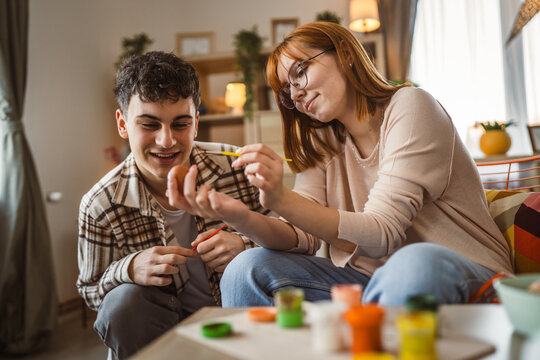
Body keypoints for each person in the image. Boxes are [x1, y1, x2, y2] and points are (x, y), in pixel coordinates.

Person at [167, 22, 513, 308]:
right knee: (246, 267)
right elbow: (301, 237)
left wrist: (282, 198)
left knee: (413, 262)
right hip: (371, 284)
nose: (296, 94)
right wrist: (240, 216)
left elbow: (382, 234)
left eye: (300, 73)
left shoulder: (411, 106)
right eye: (287, 91)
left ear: (345, 54)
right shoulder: (323, 141)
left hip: (463, 272)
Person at [76, 51, 269, 359]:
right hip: (158, 335)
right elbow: (89, 291)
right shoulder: (100, 204)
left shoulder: (239, 166)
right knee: (123, 302)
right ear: (123, 124)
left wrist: (245, 245)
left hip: (242, 324)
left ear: (196, 124)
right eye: (149, 125)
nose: (166, 141)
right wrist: (129, 268)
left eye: (180, 124)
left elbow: (296, 244)